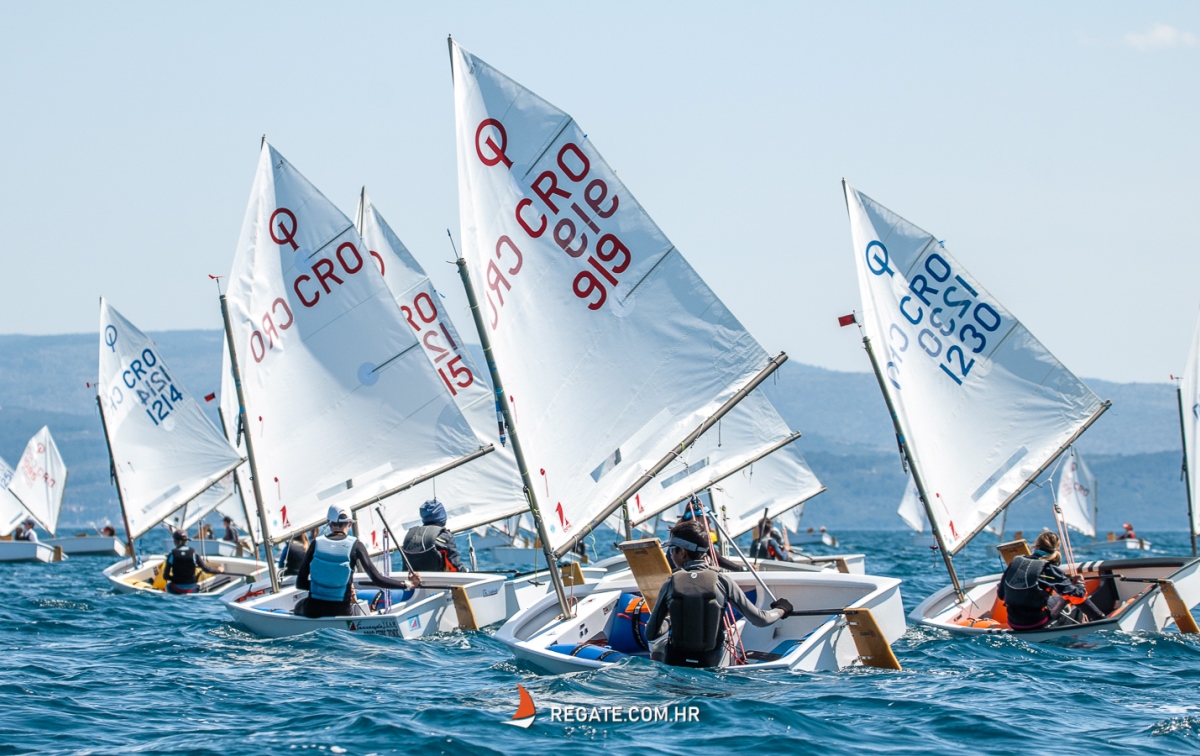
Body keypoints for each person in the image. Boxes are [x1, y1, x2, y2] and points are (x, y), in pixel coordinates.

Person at [645, 519, 792, 668]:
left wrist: (673, 620)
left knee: (657, 648)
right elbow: (760, 620)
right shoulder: (722, 580)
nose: (670, 555)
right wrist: (781, 609)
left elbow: (651, 634)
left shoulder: (670, 583)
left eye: (671, 549)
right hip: (709, 664)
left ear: (682, 552)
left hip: (676, 664)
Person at [295, 505, 418, 618]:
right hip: (341, 611)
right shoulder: (356, 545)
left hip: (313, 610)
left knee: (298, 606)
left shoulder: (316, 544)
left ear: (329, 523)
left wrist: (321, 588)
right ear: (349, 523)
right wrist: (407, 584)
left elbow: (300, 583)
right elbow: (377, 579)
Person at [997, 532, 1100, 630]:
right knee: (1071, 593)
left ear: (1036, 546)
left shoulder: (1015, 563)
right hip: (1035, 623)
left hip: (1013, 622)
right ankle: (1100, 619)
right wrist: (1079, 583)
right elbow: (1078, 594)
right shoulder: (1049, 569)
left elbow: (1001, 594)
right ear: (1057, 549)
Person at [400, 500, 466, 572]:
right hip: (437, 578)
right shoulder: (444, 535)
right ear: (442, 515)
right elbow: (454, 564)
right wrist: (464, 571)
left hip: (413, 578)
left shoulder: (411, 535)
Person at [163, 530, 225, 595]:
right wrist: (219, 571)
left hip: (176, 589)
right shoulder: (193, 553)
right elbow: (206, 569)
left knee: (168, 585)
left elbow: (165, 576)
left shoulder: (172, 554)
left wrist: (175, 579)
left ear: (175, 541)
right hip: (192, 589)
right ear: (186, 541)